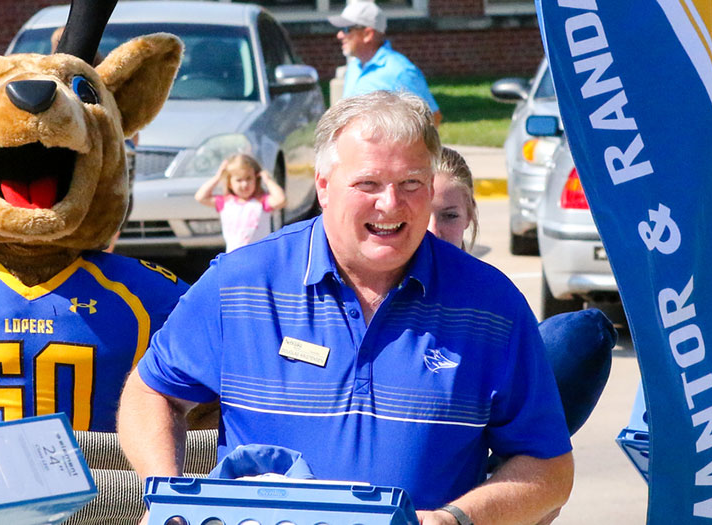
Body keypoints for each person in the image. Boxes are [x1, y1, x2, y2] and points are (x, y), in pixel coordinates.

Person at [118, 91, 573, 525]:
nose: (390, 204)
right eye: (368, 183)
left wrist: (457, 518)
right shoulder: (240, 283)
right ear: (323, 186)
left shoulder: (493, 306)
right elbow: (151, 392)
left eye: (411, 183)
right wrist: (168, 496)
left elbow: (549, 468)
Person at [428, 147, 614, 437]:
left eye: (449, 215)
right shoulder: (372, 293)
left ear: (470, 216)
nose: (434, 230)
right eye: (422, 214)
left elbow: (532, 421)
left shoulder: (499, 302)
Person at [329, 0, 442, 126]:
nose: (340, 35)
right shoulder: (354, 67)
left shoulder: (399, 70)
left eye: (346, 29)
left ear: (367, 34)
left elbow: (432, 118)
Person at [194, 153, 287, 252]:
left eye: (249, 178)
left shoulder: (261, 202)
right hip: (234, 255)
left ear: (256, 179)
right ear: (230, 183)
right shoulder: (226, 202)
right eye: (239, 180)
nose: (244, 184)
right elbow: (200, 197)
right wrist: (217, 177)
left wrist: (268, 180)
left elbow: (281, 200)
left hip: (259, 253)